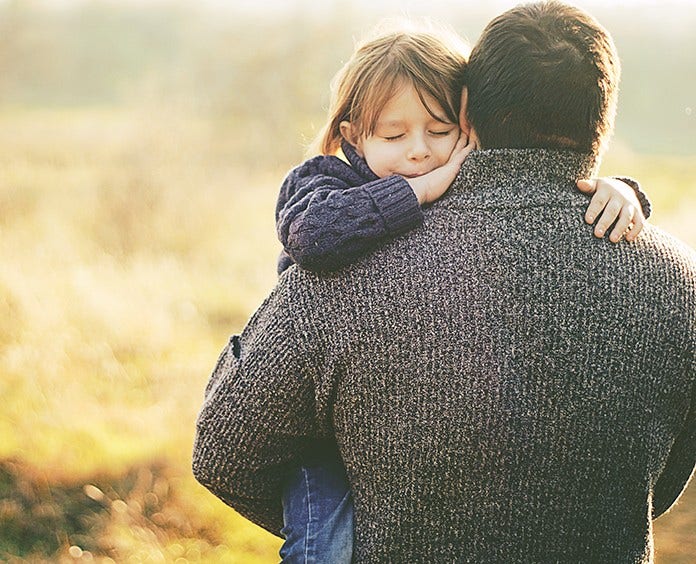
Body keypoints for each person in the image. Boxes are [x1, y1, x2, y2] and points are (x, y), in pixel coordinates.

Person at [193, 2, 696, 562]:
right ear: (601, 123)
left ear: (468, 119)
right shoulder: (679, 283)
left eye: (438, 129)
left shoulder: (343, 277)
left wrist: (372, 525)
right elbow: (659, 486)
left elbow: (224, 451)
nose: (418, 149)